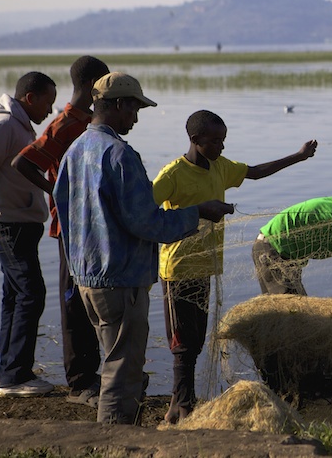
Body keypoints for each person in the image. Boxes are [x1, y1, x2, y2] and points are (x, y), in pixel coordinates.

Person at [53, 72, 233, 425]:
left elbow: (64, 210)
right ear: (119, 105)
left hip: (86, 279)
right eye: (134, 109)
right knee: (124, 370)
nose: (135, 117)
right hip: (120, 280)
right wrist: (197, 212)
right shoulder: (119, 154)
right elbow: (147, 222)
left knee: (113, 359)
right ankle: (117, 440)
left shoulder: (74, 150)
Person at [153, 109, 318, 424]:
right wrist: (201, 210)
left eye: (223, 141)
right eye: (215, 141)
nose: (221, 147)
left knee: (196, 340)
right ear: (195, 139)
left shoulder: (219, 167)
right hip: (177, 269)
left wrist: (298, 157)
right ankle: (185, 407)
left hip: (206, 265)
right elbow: (146, 210)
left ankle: (177, 403)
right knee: (181, 342)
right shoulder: (173, 174)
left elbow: (254, 172)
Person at [11, 56, 109, 407]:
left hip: (88, 226)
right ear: (92, 85)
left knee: (88, 297)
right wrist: (56, 191)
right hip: (69, 226)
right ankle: (80, 380)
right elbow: (23, 161)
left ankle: (90, 373)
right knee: (73, 303)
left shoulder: (88, 122)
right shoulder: (66, 123)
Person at [0, 71, 58, 397]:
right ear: (30, 98)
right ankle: (15, 377)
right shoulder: (4, 125)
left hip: (18, 223)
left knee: (15, 296)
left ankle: (8, 371)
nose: (50, 111)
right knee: (32, 293)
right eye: (47, 103)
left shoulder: (19, 125)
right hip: (7, 224)